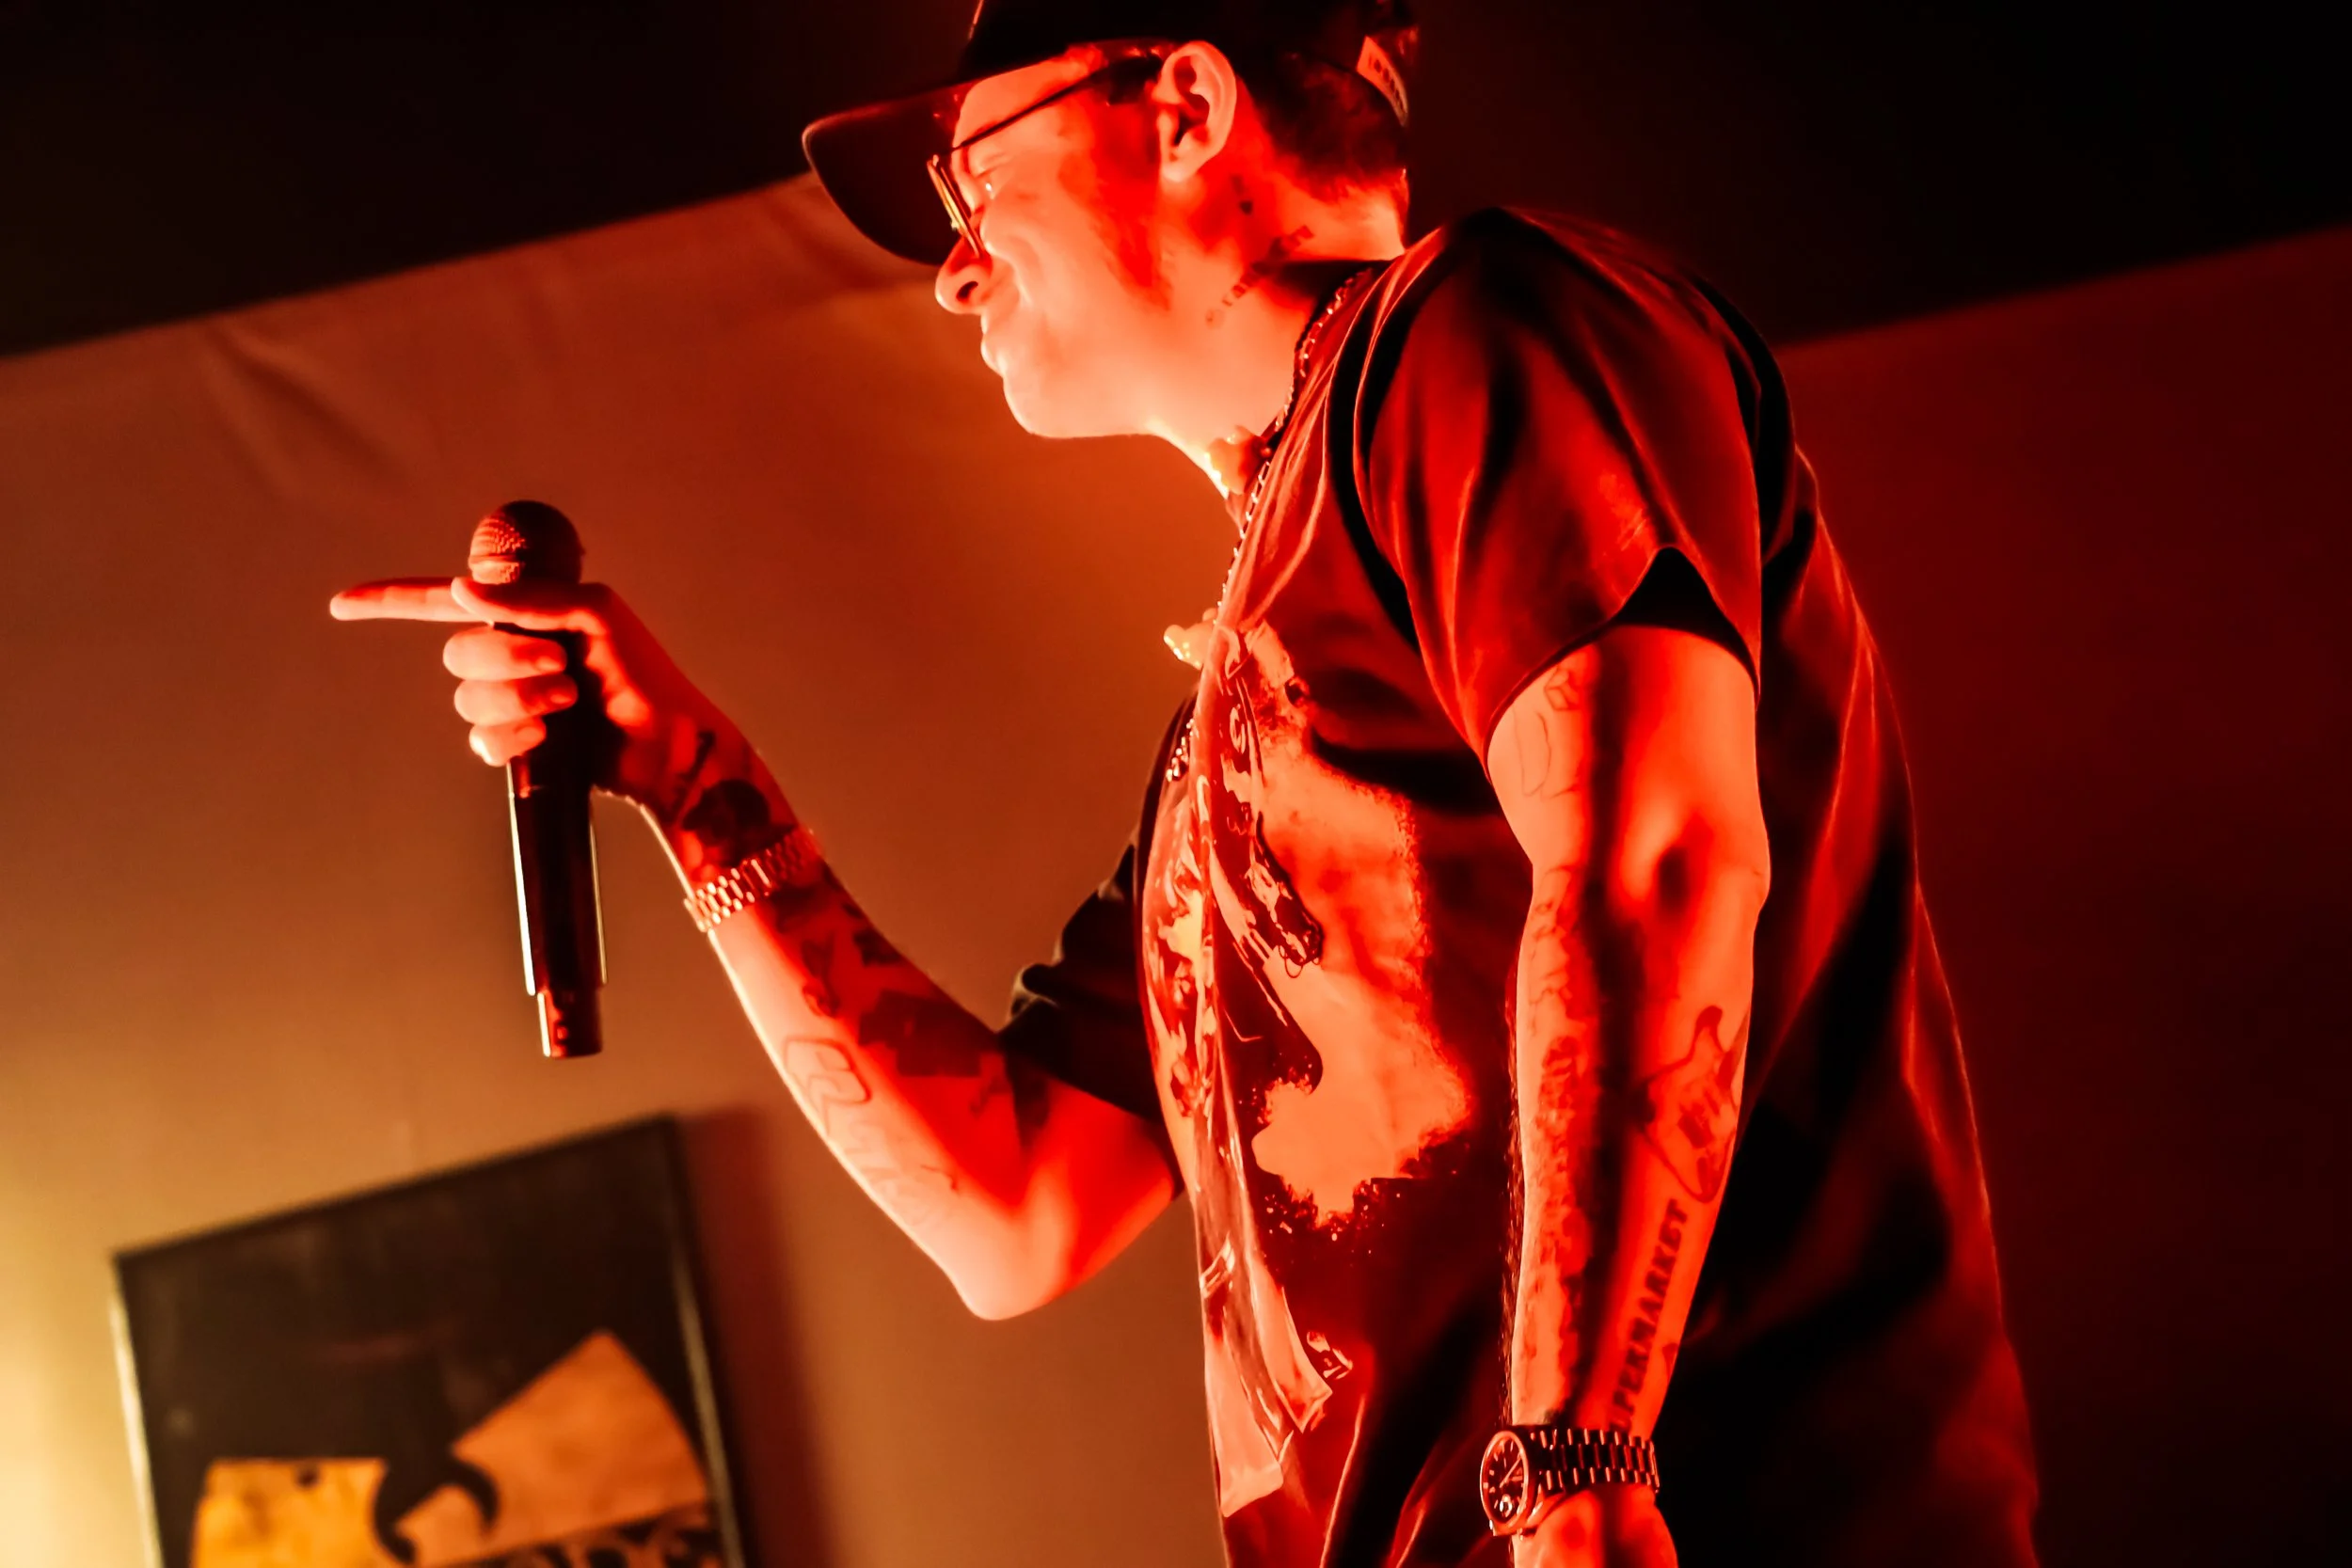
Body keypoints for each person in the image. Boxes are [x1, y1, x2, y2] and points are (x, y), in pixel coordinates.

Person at [333, 1, 2039, 1563]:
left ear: (1187, 105)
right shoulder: (1235, 718)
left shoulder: (1477, 329)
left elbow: (1653, 853)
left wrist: (1580, 1461)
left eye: (967, 179)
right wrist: (691, 778)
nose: (953, 269)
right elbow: (1016, 1208)